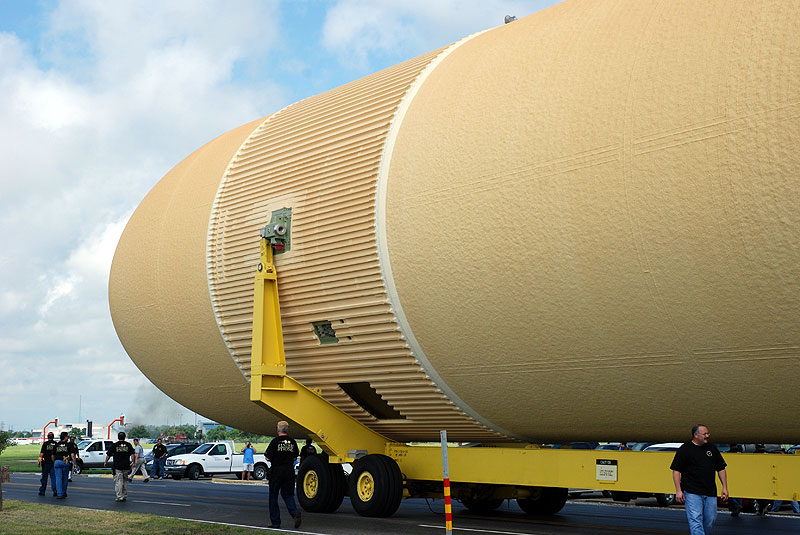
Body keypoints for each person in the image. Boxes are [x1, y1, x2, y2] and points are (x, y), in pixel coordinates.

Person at [670, 424, 728, 535]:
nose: (707, 436)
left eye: (708, 433)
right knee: (695, 520)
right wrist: (678, 490)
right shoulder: (685, 449)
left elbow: (721, 468)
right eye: (704, 434)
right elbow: (676, 471)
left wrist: (724, 487)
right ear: (696, 435)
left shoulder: (712, 448)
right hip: (692, 492)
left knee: (710, 520)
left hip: (710, 491)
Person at [265, 421, 301, 529]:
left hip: (277, 471)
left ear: (278, 429)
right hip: (289, 471)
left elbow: (268, 457)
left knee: (273, 496)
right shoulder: (292, 442)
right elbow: (295, 457)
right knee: (288, 495)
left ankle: (275, 522)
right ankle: (294, 513)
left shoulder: (275, 441)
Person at [105, 431, 135, 502]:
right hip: (126, 466)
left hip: (118, 466)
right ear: (124, 437)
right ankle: (124, 495)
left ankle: (119, 496)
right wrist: (133, 462)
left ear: (118, 437)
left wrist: (106, 462)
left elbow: (108, 455)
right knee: (125, 481)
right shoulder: (128, 445)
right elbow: (132, 455)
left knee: (119, 481)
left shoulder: (114, 445)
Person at [51, 431, 77, 499]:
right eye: (67, 436)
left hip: (57, 461)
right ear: (65, 437)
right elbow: (72, 455)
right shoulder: (69, 445)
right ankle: (63, 492)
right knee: (65, 478)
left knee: (58, 478)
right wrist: (75, 463)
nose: (68, 438)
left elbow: (53, 455)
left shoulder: (56, 445)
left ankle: (59, 493)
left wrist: (54, 462)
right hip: (65, 461)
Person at [37, 432, 58, 496]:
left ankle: (42, 491)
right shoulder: (56, 444)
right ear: (53, 437)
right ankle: (55, 490)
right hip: (53, 463)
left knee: (44, 477)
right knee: (53, 478)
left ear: (48, 437)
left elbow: (42, 454)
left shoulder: (45, 444)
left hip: (45, 463)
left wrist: (39, 461)